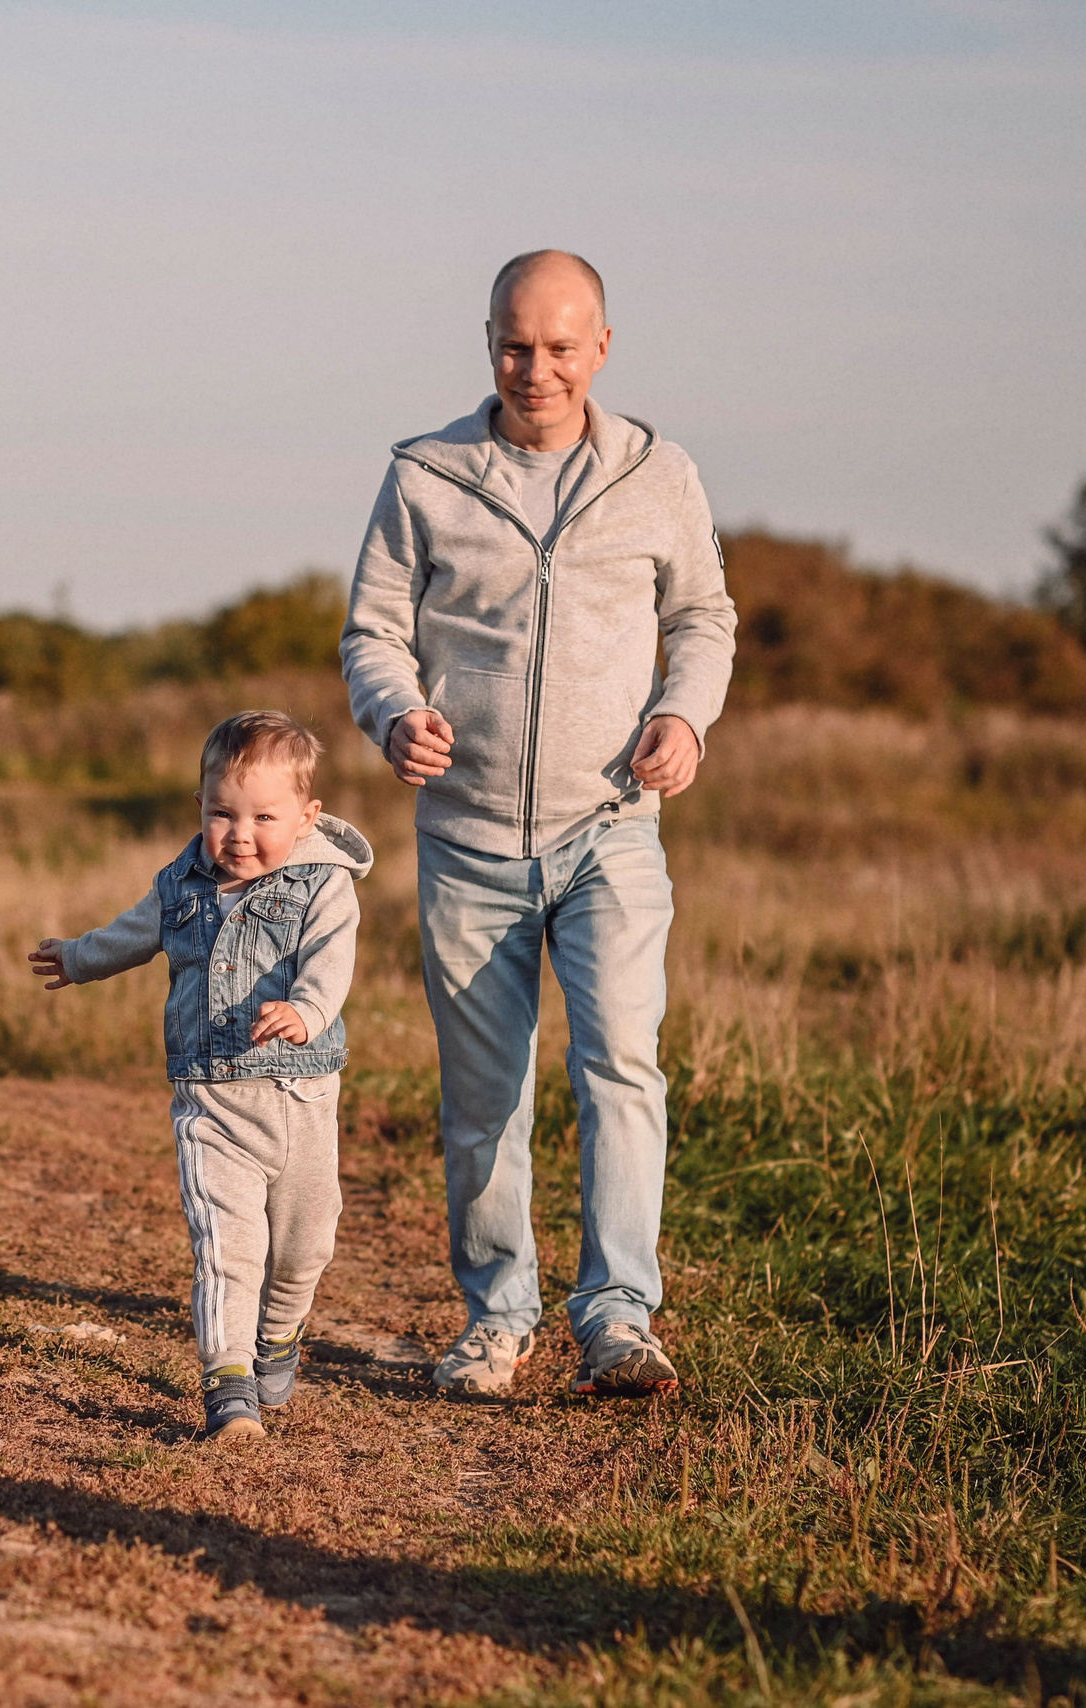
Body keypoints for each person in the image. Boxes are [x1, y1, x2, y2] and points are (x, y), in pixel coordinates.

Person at [340, 250, 737, 1399]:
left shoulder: (659, 474)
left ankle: (618, 1319)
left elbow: (704, 614)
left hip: (611, 828)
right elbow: (371, 630)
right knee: (483, 1098)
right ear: (487, 343)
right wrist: (393, 709)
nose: (537, 368)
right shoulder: (427, 475)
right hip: (467, 841)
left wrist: (684, 716)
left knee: (620, 1064)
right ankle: (496, 1319)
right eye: (517, 344)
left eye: (561, 346)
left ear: (600, 347)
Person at [29, 711, 372, 1441]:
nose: (239, 834)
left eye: (263, 817)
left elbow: (331, 960)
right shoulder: (181, 885)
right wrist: (79, 957)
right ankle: (229, 1387)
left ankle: (278, 1335)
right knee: (227, 1246)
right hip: (212, 1104)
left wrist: (306, 1010)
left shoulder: (324, 885)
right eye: (222, 813)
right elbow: (131, 933)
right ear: (201, 807)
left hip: (301, 1097)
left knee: (307, 1244)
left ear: (308, 817)